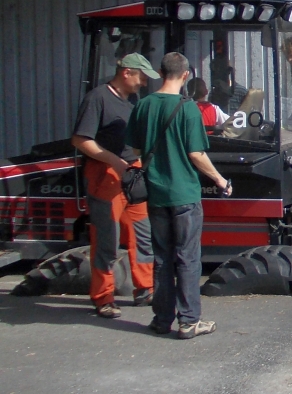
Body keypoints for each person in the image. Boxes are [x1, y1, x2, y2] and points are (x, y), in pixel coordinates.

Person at [127, 53, 231, 339]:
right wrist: (220, 180)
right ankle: (189, 321)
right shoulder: (188, 109)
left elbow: (135, 150)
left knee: (162, 258)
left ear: (160, 73)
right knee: (187, 258)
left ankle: (162, 320)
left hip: (155, 194)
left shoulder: (143, 105)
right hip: (184, 194)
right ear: (186, 75)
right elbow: (196, 154)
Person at [70, 53, 157, 318]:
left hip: (133, 174)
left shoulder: (133, 100)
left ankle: (145, 288)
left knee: (141, 234)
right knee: (106, 237)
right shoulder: (97, 98)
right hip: (105, 174)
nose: (144, 83)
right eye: (142, 77)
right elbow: (80, 140)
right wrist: (114, 161)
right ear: (127, 72)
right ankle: (103, 297)